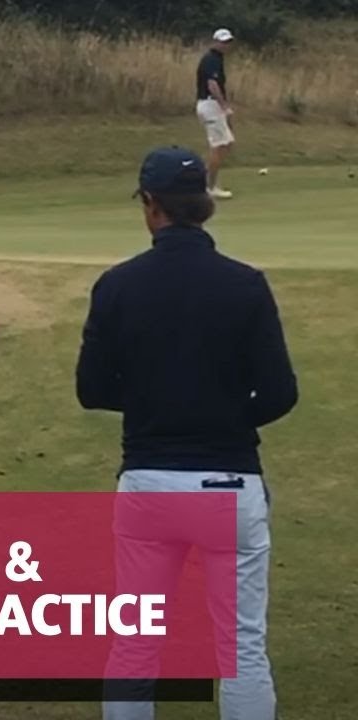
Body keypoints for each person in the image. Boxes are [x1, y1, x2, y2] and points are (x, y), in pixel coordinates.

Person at [76, 146, 297, 720]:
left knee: (136, 644)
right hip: (229, 479)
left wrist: (160, 404)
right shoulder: (246, 285)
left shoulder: (117, 285)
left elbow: (92, 389)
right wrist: (219, 411)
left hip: (149, 481)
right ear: (202, 205)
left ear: (151, 206)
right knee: (242, 648)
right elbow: (279, 394)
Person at [196, 28, 237, 199]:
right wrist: (224, 106)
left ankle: (206, 182)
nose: (225, 45)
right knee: (219, 146)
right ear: (215, 42)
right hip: (210, 104)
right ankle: (208, 187)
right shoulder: (211, 59)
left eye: (228, 42)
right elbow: (212, 85)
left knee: (226, 144)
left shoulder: (217, 59)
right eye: (223, 42)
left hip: (211, 105)